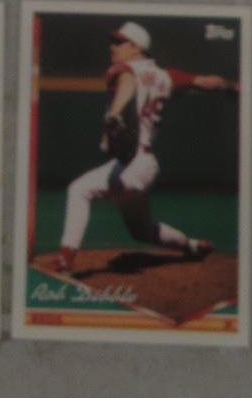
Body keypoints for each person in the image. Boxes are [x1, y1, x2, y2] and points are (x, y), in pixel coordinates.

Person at [54, 21, 236, 275]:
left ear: (136, 47)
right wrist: (231, 86)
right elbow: (205, 81)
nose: (113, 47)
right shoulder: (167, 76)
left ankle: (66, 258)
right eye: (114, 42)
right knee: (141, 229)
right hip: (143, 165)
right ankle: (192, 245)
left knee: (78, 190)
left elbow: (128, 83)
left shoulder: (124, 69)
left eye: (120, 42)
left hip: (132, 164)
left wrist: (115, 112)